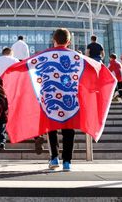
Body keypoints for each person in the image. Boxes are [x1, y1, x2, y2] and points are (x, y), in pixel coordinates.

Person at [46, 28, 77, 171]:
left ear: (54, 40)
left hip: (51, 98)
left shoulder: (46, 56)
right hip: (70, 98)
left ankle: (54, 158)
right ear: (69, 42)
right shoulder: (76, 57)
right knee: (69, 129)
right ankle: (67, 162)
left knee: (51, 127)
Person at [0, 47, 18, 149]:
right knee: (19, 113)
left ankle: (1, 141)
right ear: (11, 54)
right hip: (12, 91)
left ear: (3, 53)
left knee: (1, 117)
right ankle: (35, 136)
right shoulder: (15, 60)